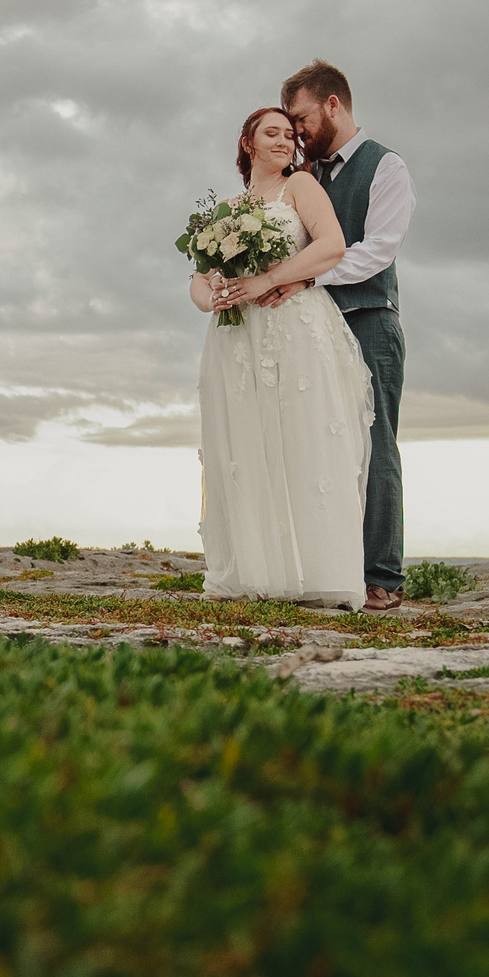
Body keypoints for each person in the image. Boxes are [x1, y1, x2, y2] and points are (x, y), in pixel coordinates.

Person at [187, 107, 374, 609]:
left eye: (290, 135)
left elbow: (333, 246)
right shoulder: (225, 209)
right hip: (238, 335)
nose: (284, 141)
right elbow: (198, 282)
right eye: (271, 133)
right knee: (246, 444)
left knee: (302, 437)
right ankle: (254, 572)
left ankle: (318, 575)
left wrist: (268, 279)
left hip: (292, 325)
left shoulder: (301, 189)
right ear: (247, 143)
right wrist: (217, 296)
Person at [250, 60, 417, 610]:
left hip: (368, 317)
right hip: (311, 329)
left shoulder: (386, 167)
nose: (295, 133)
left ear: (332, 105)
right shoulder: (306, 178)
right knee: (321, 444)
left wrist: (304, 275)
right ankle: (332, 568)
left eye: (299, 120)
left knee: (377, 442)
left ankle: (382, 578)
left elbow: (377, 250)